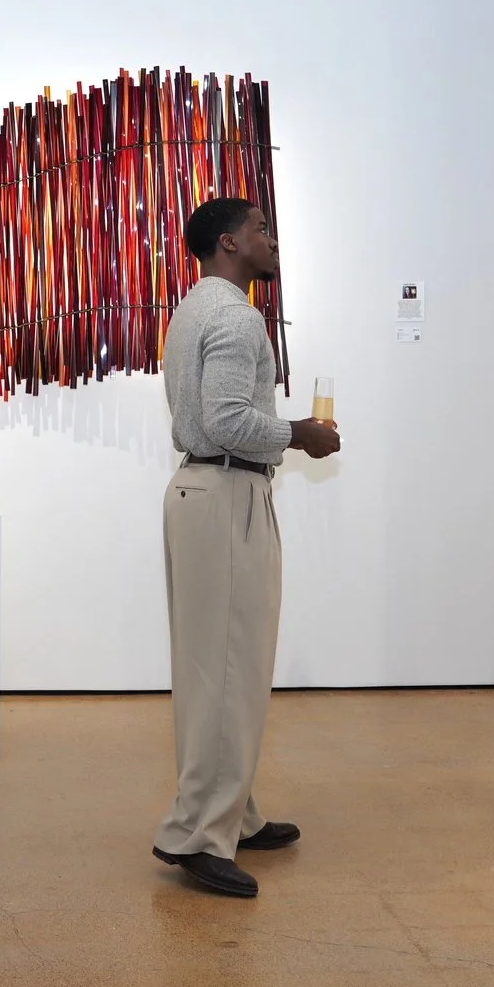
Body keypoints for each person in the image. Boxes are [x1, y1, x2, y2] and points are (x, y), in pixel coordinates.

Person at [151, 197, 341, 898]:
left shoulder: (191, 309)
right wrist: (300, 433)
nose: (271, 239)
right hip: (226, 495)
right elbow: (229, 419)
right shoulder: (235, 317)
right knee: (230, 670)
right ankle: (198, 835)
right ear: (228, 243)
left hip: (202, 493)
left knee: (216, 671)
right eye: (260, 228)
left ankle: (234, 813)